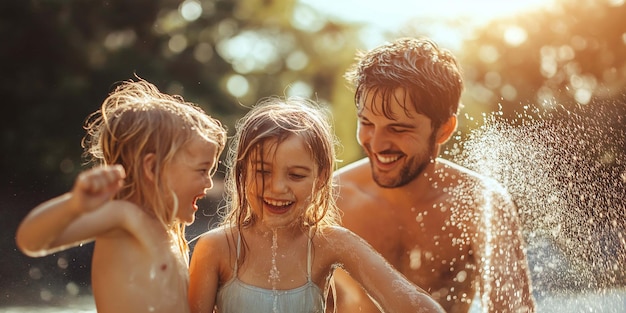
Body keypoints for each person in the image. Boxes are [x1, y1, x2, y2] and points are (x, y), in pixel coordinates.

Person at [329, 37, 536, 312]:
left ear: (444, 129)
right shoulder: (332, 199)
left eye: (399, 129)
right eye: (366, 122)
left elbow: (512, 308)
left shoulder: (481, 204)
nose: (376, 144)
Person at [187, 97, 445, 313]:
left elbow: (410, 302)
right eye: (263, 172)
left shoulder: (328, 243)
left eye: (296, 175)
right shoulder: (218, 248)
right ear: (242, 172)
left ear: (321, 178)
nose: (277, 188)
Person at [15, 78, 227, 313]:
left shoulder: (172, 233)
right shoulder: (123, 218)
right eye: (202, 170)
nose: (208, 183)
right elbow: (30, 241)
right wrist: (73, 205)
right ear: (152, 168)